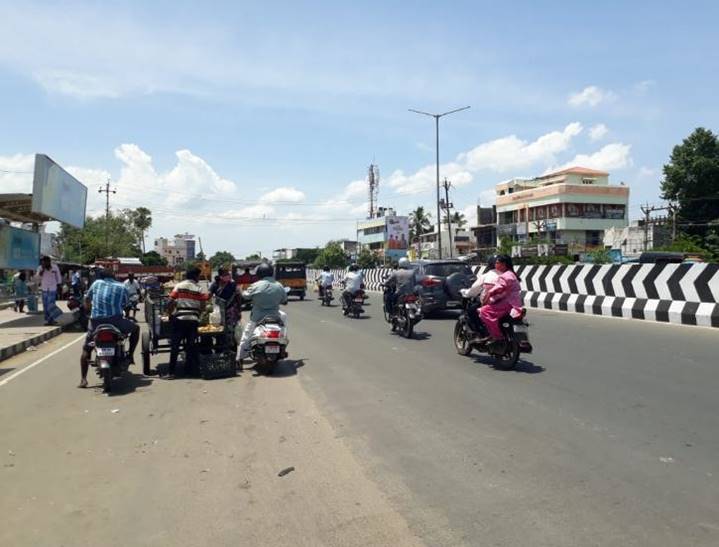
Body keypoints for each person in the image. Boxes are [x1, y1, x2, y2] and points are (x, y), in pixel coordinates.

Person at [79, 268, 140, 388]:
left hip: (96, 322)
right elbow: (127, 305)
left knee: (87, 349)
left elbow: (86, 299)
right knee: (136, 328)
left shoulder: (96, 284)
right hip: (116, 321)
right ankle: (130, 355)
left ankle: (83, 379)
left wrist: (89, 310)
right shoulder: (122, 286)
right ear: (114, 276)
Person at [237, 263, 288, 363]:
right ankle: (283, 342)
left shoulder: (256, 285)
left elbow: (245, 296)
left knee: (246, 337)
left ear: (259, 273)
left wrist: (240, 290)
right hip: (275, 316)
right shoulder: (279, 285)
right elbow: (284, 300)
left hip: (257, 317)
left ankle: (239, 358)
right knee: (284, 319)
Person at [166, 267, 209, 379]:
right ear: (195, 276)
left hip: (179, 319)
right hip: (193, 320)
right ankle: (189, 371)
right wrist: (199, 313)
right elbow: (203, 305)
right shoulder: (199, 288)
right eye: (198, 276)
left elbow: (170, 301)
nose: (199, 278)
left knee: (175, 346)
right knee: (191, 346)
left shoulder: (179, 286)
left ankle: (171, 373)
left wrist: (170, 314)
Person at [479, 255, 523, 342]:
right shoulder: (511, 274)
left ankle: (496, 335)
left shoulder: (506, 275)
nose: (496, 265)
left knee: (484, 311)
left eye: (497, 263)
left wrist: (490, 293)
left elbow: (500, 287)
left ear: (504, 264)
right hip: (513, 302)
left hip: (508, 303)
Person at [460, 255, 499, 335]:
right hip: (509, 304)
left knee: (471, 311)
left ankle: (480, 332)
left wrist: (465, 292)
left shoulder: (487, 276)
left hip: (491, 304)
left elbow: (473, 291)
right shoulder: (510, 275)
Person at [209, 268, 242, 349]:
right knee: (219, 330)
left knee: (231, 331)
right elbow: (209, 296)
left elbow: (238, 297)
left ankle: (232, 349)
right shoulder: (215, 285)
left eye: (228, 274)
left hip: (231, 311)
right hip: (219, 312)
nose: (228, 276)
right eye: (225, 274)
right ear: (220, 276)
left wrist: (239, 311)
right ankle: (219, 348)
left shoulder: (233, 284)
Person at [36, 256, 62, 325]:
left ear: (49, 262)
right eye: (43, 262)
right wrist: (43, 269)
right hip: (44, 289)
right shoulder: (40, 268)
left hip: (52, 289)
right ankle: (48, 320)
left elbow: (58, 277)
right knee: (45, 305)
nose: (44, 263)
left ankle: (51, 319)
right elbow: (38, 277)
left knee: (51, 305)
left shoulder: (55, 267)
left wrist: (59, 286)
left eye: (46, 262)